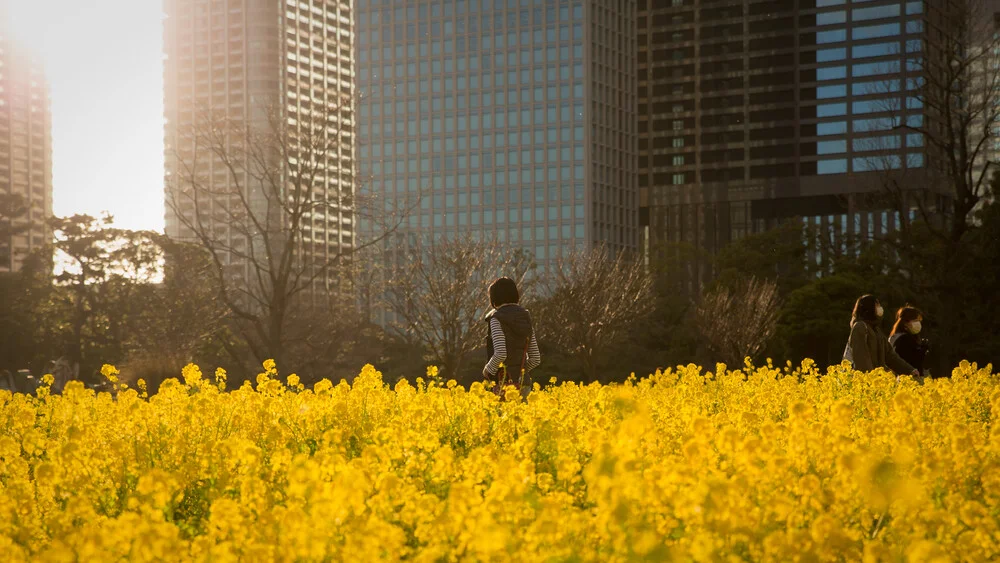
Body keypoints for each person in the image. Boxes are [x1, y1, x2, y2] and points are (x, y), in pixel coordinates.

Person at [483, 277, 541, 394]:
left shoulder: (496, 318)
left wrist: (487, 370)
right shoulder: (526, 318)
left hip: (504, 383)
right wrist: (521, 372)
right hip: (524, 385)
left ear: (494, 298)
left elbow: (501, 353)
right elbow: (535, 358)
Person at [844, 295, 919, 376]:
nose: (880, 308)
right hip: (864, 381)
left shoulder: (876, 330)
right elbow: (861, 358)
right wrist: (869, 378)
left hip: (876, 379)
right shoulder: (860, 327)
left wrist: (909, 370)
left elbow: (890, 356)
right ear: (870, 308)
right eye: (877, 305)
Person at [890, 305, 930, 378]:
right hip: (909, 378)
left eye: (919, 321)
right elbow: (911, 361)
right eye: (915, 320)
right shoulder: (903, 339)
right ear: (905, 322)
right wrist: (923, 349)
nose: (918, 323)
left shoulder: (900, 336)